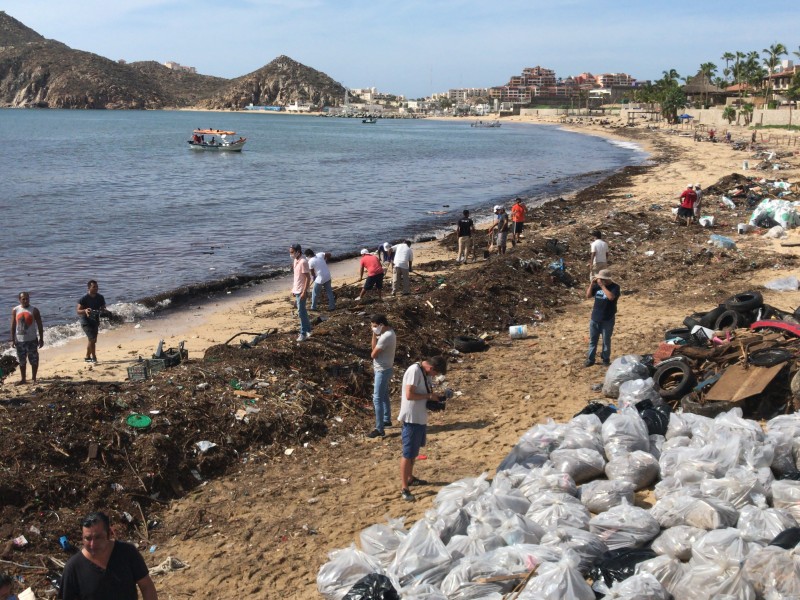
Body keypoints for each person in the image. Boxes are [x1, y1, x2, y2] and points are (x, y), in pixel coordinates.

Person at [60, 511, 158, 600]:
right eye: (87, 538)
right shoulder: (73, 568)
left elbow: (146, 586)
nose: (92, 544)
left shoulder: (127, 553)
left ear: (109, 534)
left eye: (98, 537)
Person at [398, 355, 447, 502]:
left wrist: (434, 397)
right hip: (411, 418)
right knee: (407, 454)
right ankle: (404, 487)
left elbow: (421, 393)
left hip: (419, 417)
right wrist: (429, 396)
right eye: (435, 373)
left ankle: (410, 478)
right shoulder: (414, 371)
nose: (434, 376)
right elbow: (409, 394)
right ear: (431, 368)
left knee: (413, 452)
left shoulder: (424, 373)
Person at [367, 314, 396, 439]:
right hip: (386, 368)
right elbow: (375, 348)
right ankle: (386, 419)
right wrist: (375, 334)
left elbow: (373, 354)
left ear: (381, 325)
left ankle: (379, 429)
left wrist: (375, 335)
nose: (373, 329)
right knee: (384, 396)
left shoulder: (386, 337)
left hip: (382, 370)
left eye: (374, 326)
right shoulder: (389, 333)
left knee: (377, 398)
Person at [584, 269, 620, 368]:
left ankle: (605, 358)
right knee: (593, 340)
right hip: (595, 318)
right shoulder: (597, 286)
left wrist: (602, 286)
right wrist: (592, 284)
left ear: (606, 279)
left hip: (607, 319)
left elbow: (611, 297)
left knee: (606, 340)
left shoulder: (615, 287)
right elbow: (588, 295)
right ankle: (590, 359)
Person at [11, 292, 44, 385]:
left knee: (34, 360)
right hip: (20, 341)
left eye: (27, 298)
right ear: (19, 300)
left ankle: (34, 378)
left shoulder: (34, 310)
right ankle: (23, 379)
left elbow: (40, 325)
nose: (25, 301)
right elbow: (13, 326)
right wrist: (12, 339)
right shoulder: (15, 310)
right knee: (22, 361)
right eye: (23, 299)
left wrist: (41, 338)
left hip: (32, 340)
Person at [77, 280, 106, 363]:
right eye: (94, 287)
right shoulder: (84, 298)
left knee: (93, 340)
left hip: (95, 320)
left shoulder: (100, 297)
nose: (96, 288)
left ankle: (87, 356)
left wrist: (104, 311)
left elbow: (103, 307)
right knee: (92, 339)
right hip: (85, 320)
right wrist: (85, 310)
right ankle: (94, 357)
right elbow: (78, 311)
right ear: (89, 288)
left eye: (97, 286)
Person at [289, 244, 312, 341]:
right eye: (290, 252)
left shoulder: (303, 262)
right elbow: (296, 277)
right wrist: (294, 289)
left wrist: (304, 292)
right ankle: (308, 330)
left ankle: (302, 333)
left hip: (302, 291)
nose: (291, 254)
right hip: (297, 289)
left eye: (292, 252)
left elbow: (308, 277)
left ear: (298, 251)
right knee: (303, 311)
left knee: (300, 312)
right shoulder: (295, 260)